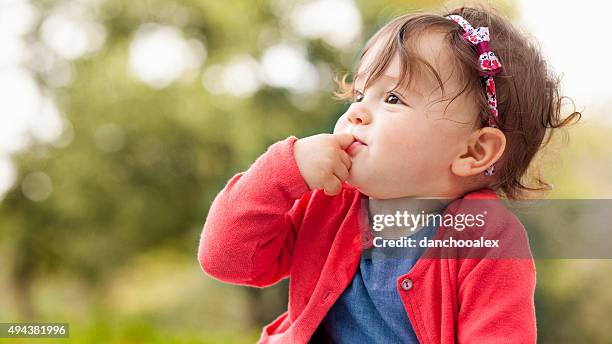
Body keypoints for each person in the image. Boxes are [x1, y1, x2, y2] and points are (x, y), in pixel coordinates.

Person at [198, 5, 580, 343]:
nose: (356, 113)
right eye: (360, 94)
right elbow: (225, 259)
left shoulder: (487, 240)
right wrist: (284, 170)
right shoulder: (329, 203)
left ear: (473, 151)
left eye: (393, 99)